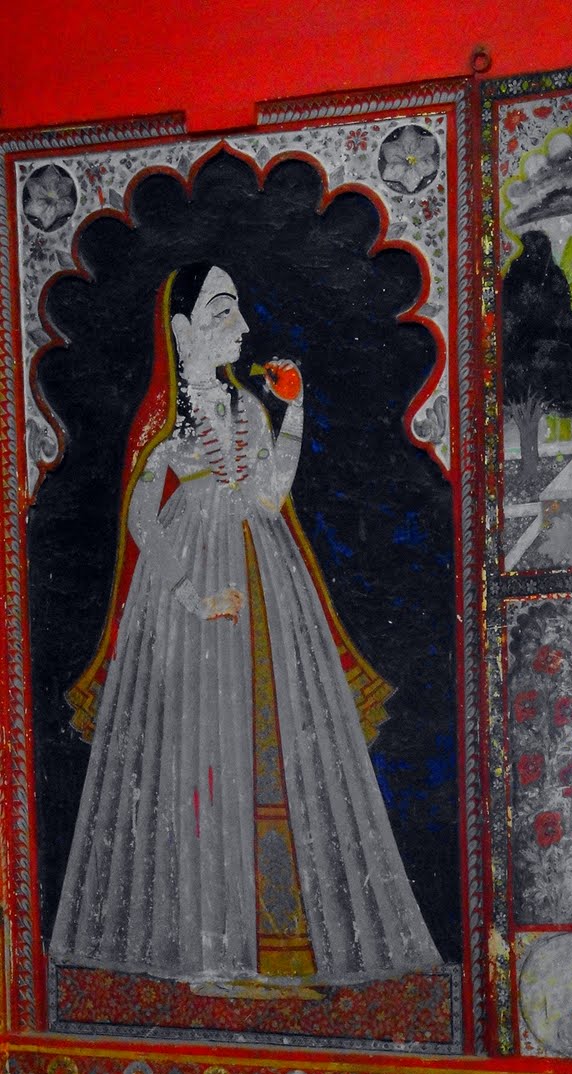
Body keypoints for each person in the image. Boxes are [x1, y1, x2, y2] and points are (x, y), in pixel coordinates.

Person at [50, 262, 440, 985]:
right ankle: (207, 953)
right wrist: (190, 595)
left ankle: (267, 948)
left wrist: (293, 411)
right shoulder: (163, 424)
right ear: (182, 329)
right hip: (192, 599)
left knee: (266, 743)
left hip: (262, 578)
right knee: (198, 756)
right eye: (223, 311)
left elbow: (267, 497)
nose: (243, 326)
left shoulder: (247, 408)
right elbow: (142, 520)